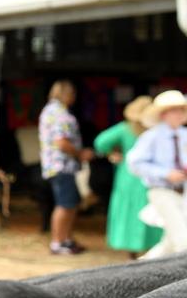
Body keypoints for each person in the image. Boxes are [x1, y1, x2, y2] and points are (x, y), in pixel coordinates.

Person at [93, 95, 161, 257]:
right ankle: (151, 249)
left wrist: (112, 152)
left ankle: (133, 252)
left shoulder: (125, 128)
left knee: (130, 211)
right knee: (152, 210)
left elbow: (100, 142)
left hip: (128, 176)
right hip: (151, 176)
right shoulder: (155, 130)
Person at [126, 89, 187, 255]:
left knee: (169, 244)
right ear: (163, 114)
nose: (179, 114)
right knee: (183, 240)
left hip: (183, 192)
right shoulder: (151, 137)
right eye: (174, 110)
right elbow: (134, 163)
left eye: (182, 109)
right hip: (161, 190)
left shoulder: (184, 135)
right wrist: (165, 173)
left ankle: (140, 273)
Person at [38, 80, 93, 255]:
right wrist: (80, 153)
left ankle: (66, 240)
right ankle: (57, 243)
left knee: (70, 204)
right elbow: (62, 143)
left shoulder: (50, 111)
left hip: (57, 165)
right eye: (72, 93)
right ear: (66, 94)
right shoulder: (60, 114)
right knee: (64, 204)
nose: (74, 97)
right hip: (63, 165)